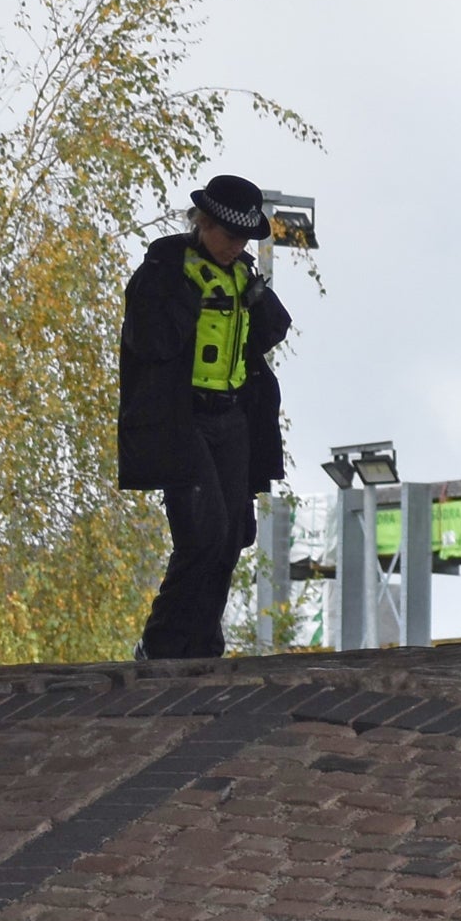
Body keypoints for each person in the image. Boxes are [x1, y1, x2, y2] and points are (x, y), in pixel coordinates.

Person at [119, 173, 293, 659]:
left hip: (233, 418)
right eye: (228, 235)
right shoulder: (163, 270)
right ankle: (160, 644)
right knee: (203, 532)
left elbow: (272, 332)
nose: (235, 246)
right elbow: (147, 341)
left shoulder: (242, 276)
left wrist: (256, 301)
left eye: (243, 239)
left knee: (232, 534)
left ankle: (202, 644)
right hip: (182, 419)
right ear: (203, 222)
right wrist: (190, 303)